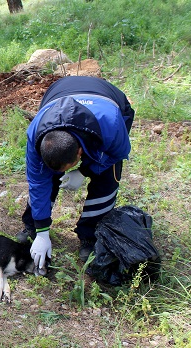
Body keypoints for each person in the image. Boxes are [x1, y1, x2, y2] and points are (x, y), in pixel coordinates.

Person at [17, 76, 135, 268]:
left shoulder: (111, 126)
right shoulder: (36, 134)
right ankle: (32, 225)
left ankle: (90, 235)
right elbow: (38, 183)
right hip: (57, 95)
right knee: (46, 177)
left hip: (107, 105)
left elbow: (119, 153)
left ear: (80, 153)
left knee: (106, 177)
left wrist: (86, 170)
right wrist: (42, 232)